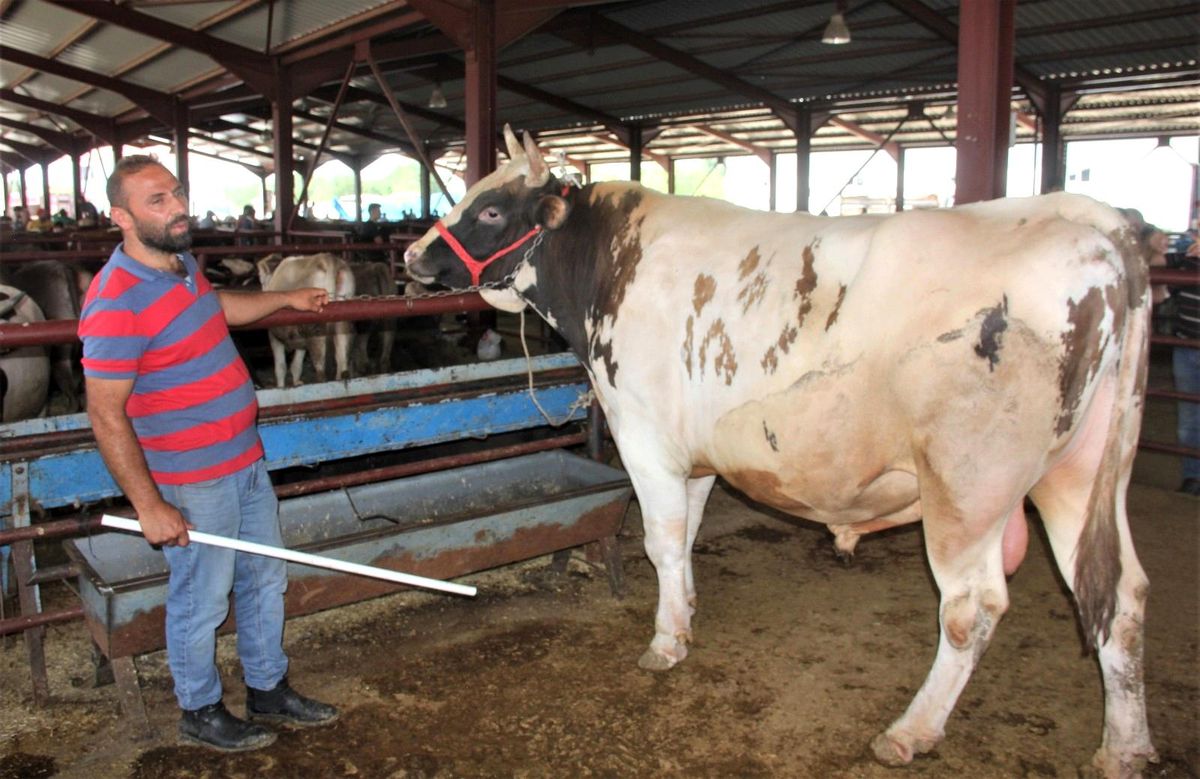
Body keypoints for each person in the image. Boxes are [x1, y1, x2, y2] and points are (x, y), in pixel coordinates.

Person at [78, 156, 339, 752]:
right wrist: (149, 505)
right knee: (202, 596)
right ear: (121, 217)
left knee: (265, 578)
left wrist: (286, 298)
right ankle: (199, 708)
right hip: (193, 478)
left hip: (243, 459)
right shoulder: (115, 301)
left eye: (176, 193)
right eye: (158, 201)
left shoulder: (180, 266)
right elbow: (105, 413)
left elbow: (215, 306)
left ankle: (267, 687)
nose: (178, 208)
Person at [1175, 234, 1200, 495]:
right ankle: (1193, 476)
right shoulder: (1187, 251)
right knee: (1189, 418)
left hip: (1186, 347)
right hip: (1186, 344)